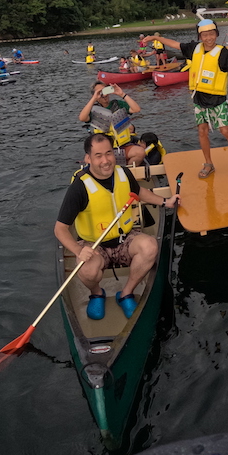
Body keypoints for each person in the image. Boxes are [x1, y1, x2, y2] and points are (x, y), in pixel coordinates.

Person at [53, 133, 181, 320]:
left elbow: (139, 192)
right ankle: (97, 293)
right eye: (98, 156)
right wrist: (78, 250)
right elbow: (60, 229)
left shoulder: (123, 173)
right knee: (86, 269)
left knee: (150, 247)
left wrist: (165, 201)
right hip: (95, 244)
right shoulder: (79, 187)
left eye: (108, 153)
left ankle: (126, 293)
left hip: (125, 239)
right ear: (88, 158)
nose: (105, 161)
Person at [141, 19, 228, 179]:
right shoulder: (194, 48)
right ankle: (208, 163)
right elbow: (174, 44)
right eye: (205, 35)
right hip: (199, 97)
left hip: (217, 98)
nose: (209, 38)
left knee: (225, 130)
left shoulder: (222, 53)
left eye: (211, 34)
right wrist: (155, 38)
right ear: (200, 36)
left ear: (216, 34)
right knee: (202, 131)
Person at [79, 82, 146, 165]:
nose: (104, 94)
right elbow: (82, 118)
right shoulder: (93, 110)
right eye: (100, 92)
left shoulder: (118, 104)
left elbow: (136, 109)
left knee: (140, 152)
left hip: (123, 145)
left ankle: (127, 170)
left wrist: (122, 94)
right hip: (104, 149)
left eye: (104, 91)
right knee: (88, 160)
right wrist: (94, 98)